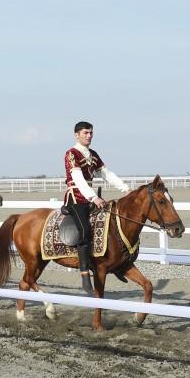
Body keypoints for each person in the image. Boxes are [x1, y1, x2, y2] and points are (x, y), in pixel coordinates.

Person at [64, 121, 130, 293]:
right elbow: (77, 179)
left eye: (91, 133)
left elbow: (107, 174)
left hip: (90, 198)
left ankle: (114, 264)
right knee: (85, 231)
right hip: (76, 199)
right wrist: (93, 197)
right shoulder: (71, 154)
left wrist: (126, 189)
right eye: (86, 133)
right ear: (76, 135)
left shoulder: (93, 154)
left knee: (110, 224)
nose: (89, 136)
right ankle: (85, 273)